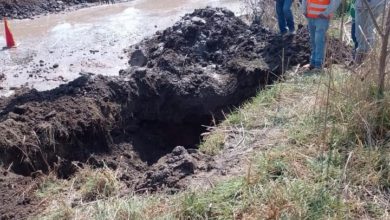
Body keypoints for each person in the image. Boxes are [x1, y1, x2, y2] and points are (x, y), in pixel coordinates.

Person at [301, 0, 341, 69]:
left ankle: (318, 64)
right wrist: (304, 10)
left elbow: (336, 1)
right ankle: (313, 62)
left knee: (319, 40)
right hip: (310, 16)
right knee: (313, 40)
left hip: (322, 18)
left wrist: (326, 13)